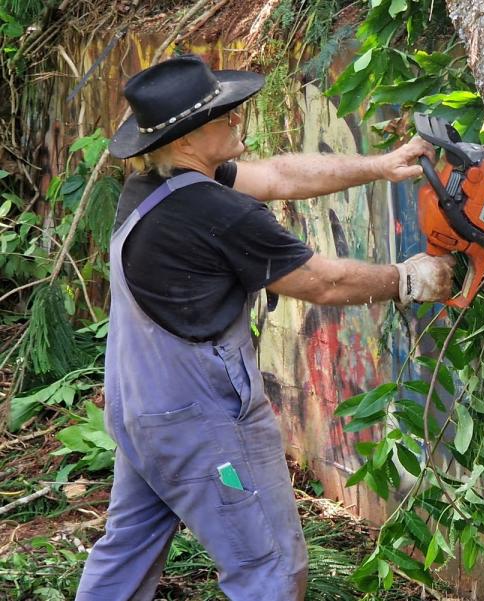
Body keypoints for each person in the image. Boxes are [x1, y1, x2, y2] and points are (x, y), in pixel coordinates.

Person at [74, 54, 454, 601]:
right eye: (224, 116)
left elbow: (279, 175)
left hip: (141, 415)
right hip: (201, 425)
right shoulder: (216, 213)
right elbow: (322, 284)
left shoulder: (153, 187)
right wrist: (410, 279)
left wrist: (381, 165)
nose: (237, 121)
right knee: (269, 567)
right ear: (188, 139)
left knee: (127, 550)